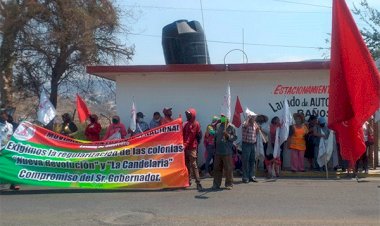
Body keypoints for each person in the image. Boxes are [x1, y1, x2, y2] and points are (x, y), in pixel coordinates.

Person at [212, 115, 237, 190]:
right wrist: (213, 132)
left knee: (228, 169)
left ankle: (229, 184)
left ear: (227, 117)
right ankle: (216, 184)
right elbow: (216, 136)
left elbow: (235, 137)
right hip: (218, 151)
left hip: (227, 152)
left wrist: (228, 136)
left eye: (223, 116)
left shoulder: (231, 127)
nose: (221, 118)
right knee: (216, 168)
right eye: (221, 116)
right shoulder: (218, 126)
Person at [183, 108, 203, 191]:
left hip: (191, 147)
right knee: (186, 165)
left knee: (194, 165)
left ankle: (198, 183)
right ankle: (188, 181)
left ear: (192, 115)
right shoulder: (186, 124)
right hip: (185, 147)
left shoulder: (195, 124)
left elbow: (191, 136)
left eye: (188, 114)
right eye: (186, 114)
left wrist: (185, 145)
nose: (187, 116)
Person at [0, 111, 19, 190]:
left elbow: (11, 137)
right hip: (0, 149)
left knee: (11, 166)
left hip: (8, 149)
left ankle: (13, 184)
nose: (5, 116)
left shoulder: (10, 125)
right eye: (3, 114)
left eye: (6, 114)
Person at [241, 114, 259, 183]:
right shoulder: (245, 123)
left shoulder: (255, 125)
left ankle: (252, 176)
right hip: (246, 144)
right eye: (253, 117)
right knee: (246, 161)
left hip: (253, 144)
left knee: (252, 160)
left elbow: (256, 133)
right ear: (250, 118)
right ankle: (245, 177)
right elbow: (244, 126)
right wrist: (248, 118)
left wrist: (258, 129)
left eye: (255, 118)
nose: (255, 119)